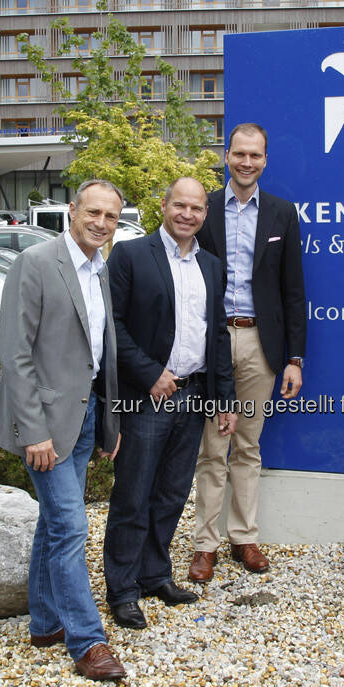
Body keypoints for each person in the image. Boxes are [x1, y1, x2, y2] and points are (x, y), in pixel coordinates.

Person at [0, 179, 126, 681]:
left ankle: (45, 622)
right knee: (70, 525)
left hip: (86, 418)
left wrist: (110, 423)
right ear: (72, 211)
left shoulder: (101, 269)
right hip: (44, 422)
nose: (101, 223)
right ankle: (88, 642)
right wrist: (33, 432)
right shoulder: (37, 263)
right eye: (93, 212)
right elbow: (16, 355)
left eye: (111, 216)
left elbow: (100, 352)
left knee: (53, 523)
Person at [103, 177, 238, 629]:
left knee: (172, 494)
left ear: (204, 214)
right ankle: (121, 589)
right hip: (147, 397)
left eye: (196, 208)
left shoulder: (212, 267)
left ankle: (153, 574)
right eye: (179, 205)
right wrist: (149, 374)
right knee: (133, 495)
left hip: (195, 395)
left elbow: (218, 335)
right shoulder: (130, 255)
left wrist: (225, 398)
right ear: (163, 206)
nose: (187, 214)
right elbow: (113, 326)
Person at [187, 123, 307, 584]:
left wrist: (295, 358)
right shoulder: (205, 208)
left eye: (255, 155)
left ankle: (244, 538)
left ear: (265, 160)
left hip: (261, 343)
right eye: (239, 154)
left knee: (248, 445)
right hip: (212, 342)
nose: (247, 162)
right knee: (212, 447)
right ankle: (204, 545)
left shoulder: (282, 213)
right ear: (227, 156)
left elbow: (293, 291)